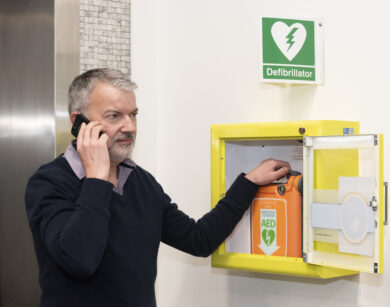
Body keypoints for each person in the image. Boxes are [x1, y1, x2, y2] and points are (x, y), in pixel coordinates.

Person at [25, 68, 290, 307]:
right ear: (78, 122)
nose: (129, 127)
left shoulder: (141, 182)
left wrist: (248, 182)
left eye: (134, 115)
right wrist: (96, 179)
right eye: (114, 116)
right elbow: (80, 260)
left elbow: (199, 240)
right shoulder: (49, 182)